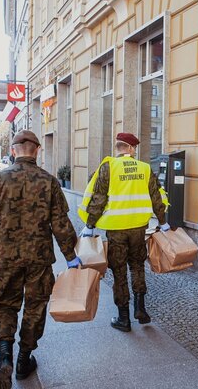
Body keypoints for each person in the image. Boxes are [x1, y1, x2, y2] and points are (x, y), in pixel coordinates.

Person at [0, 130, 81, 389]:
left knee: (5, 305)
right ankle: (24, 359)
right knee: (35, 307)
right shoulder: (49, 181)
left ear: (14, 150)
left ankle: (5, 357)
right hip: (39, 258)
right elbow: (60, 224)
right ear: (37, 151)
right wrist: (71, 256)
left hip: (8, 257)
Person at [78, 132, 169, 332]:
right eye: (134, 147)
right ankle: (141, 308)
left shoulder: (108, 167)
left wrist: (90, 225)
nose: (135, 151)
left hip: (116, 229)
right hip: (138, 228)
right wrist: (162, 222)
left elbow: (98, 199)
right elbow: (157, 198)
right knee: (137, 266)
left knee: (119, 272)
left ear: (118, 147)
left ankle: (123, 318)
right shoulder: (144, 168)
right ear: (129, 148)